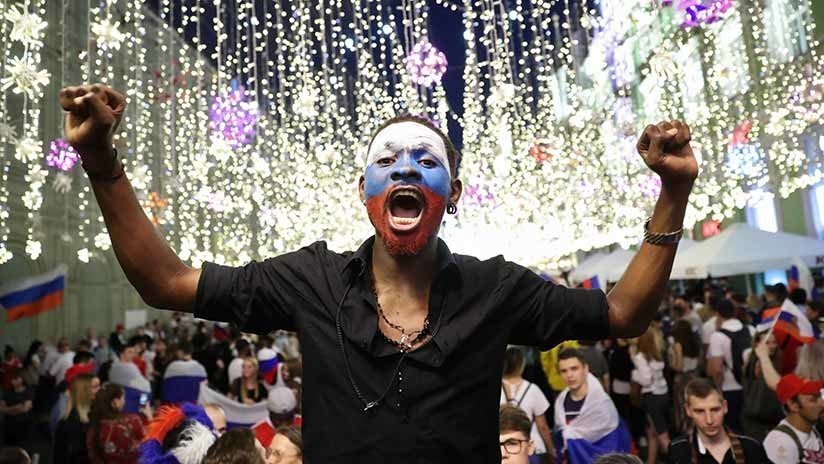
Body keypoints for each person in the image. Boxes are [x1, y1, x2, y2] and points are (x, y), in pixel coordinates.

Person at [60, 83, 697, 461]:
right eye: (387, 160)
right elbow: (164, 282)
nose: (406, 169)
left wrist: (673, 192)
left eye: (427, 160)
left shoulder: (495, 287)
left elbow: (621, 314)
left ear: (453, 191)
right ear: (364, 189)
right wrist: (100, 160)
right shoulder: (310, 279)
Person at [554, 349, 631, 463]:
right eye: (564, 371)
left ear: (585, 369)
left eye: (574, 369)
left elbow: (614, 443)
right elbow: (561, 440)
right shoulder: (560, 403)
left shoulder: (602, 404)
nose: (569, 375)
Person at [668, 378, 766, 463]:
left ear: (725, 407)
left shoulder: (750, 448)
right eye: (700, 411)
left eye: (715, 410)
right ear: (688, 411)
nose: (709, 420)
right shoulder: (679, 450)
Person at [500, 347, 555, 461]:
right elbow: (543, 427)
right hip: (531, 448)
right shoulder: (533, 389)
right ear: (522, 365)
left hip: (503, 448)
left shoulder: (494, 390)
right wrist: (551, 450)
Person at [706, 298, 752, 431]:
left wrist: (718, 390)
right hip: (750, 386)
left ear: (718, 314)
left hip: (729, 388)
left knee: (734, 428)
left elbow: (717, 368)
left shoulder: (717, 336)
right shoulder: (750, 330)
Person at [630, 326, 670, 464]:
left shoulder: (641, 356)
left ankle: (676, 459)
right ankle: (651, 461)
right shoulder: (657, 354)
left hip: (652, 397)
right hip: (663, 394)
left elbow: (646, 380)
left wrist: (634, 375)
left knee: (662, 435)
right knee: (652, 432)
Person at [763, 374, 824, 463]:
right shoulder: (781, 441)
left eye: (820, 396)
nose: (822, 404)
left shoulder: (813, 430)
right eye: (813, 400)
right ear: (793, 405)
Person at [739, 332, 784, 441]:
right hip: (758, 418)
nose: (772, 346)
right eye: (767, 343)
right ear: (757, 345)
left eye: (774, 342)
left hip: (765, 416)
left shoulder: (772, 361)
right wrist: (763, 357)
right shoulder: (759, 363)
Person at [87, 383, 147, 463]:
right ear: (115, 402)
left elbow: (93, 454)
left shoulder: (94, 425)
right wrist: (149, 417)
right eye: (123, 398)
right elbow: (148, 444)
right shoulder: (132, 420)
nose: (124, 401)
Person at [54, 372, 97, 464]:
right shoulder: (72, 422)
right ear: (84, 390)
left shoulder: (91, 409)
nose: (99, 389)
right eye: (95, 387)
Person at [668, 318, 700, 433]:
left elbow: (679, 366)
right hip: (695, 376)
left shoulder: (678, 345)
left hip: (682, 379)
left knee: (683, 406)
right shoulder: (694, 342)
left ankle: (686, 431)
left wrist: (671, 364)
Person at [0, 368, 34, 449]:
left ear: (22, 379)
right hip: (9, 424)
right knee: (8, 445)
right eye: (12, 379)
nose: (13, 381)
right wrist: (16, 407)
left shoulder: (29, 391)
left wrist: (8, 409)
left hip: (23, 424)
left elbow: (25, 408)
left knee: (22, 446)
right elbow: (1, 408)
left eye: (16, 379)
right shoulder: (7, 391)